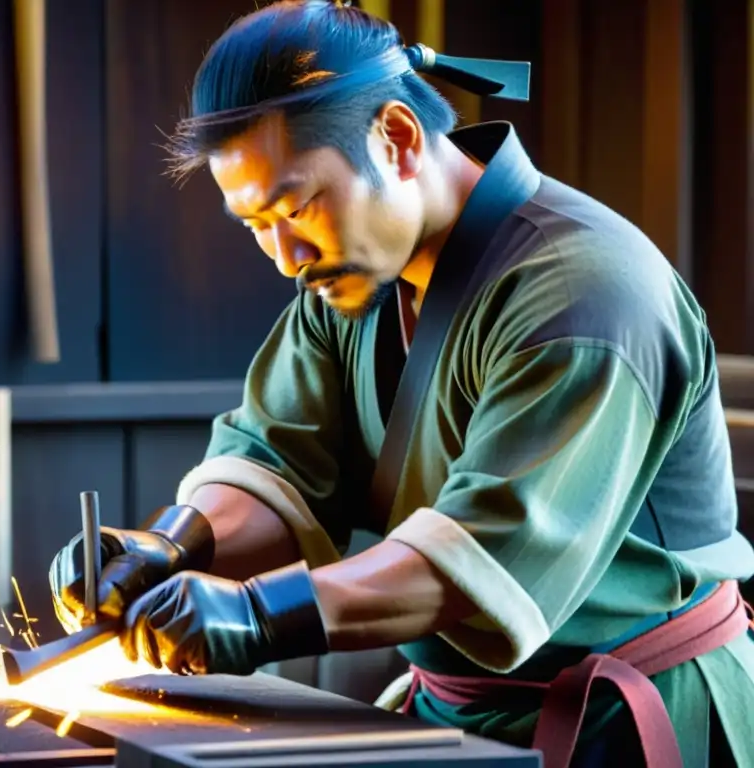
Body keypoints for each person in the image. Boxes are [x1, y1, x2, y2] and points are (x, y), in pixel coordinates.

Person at [49, 1, 754, 765]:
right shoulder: (354, 283)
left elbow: (485, 553)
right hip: (457, 715)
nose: (285, 255)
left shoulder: (587, 291)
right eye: (255, 223)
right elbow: (278, 465)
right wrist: (176, 546)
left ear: (397, 139)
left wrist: (259, 614)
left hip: (632, 721)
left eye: (298, 207)